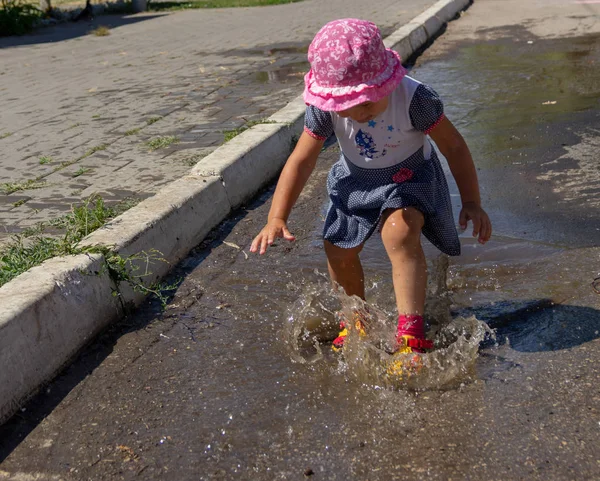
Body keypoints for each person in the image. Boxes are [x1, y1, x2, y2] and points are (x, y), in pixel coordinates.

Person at [250, 18, 492, 357]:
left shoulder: (414, 99)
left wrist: (472, 201)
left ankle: (411, 335)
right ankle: (357, 319)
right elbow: (301, 160)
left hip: (409, 178)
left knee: (400, 232)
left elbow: (454, 147)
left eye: (367, 101)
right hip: (357, 181)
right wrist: (277, 216)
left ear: (388, 83)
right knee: (337, 247)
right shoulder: (324, 109)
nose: (359, 111)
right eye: (349, 103)